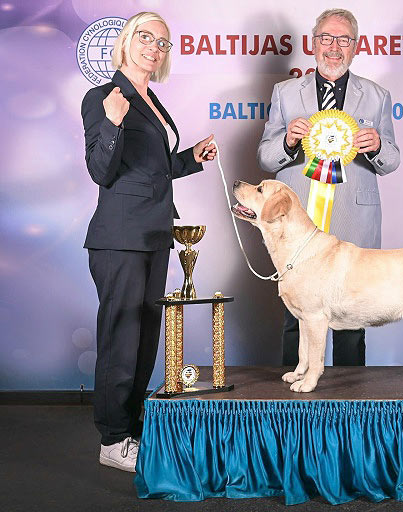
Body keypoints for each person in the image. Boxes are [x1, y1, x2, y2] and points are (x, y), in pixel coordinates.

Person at [81, 11, 216, 472]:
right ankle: (112, 439)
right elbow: (101, 170)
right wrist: (112, 123)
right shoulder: (103, 97)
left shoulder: (151, 100)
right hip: (120, 238)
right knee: (120, 339)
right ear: (126, 41)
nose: (154, 47)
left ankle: (131, 428)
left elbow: (151, 169)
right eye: (146, 37)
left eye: (162, 42)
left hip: (155, 235)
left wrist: (191, 158)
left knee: (144, 341)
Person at [257, 8, 400, 368]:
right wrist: (288, 141)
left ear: (356, 46)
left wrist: (377, 146)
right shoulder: (285, 92)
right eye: (326, 38)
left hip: (354, 219)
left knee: (351, 322)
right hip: (297, 224)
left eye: (343, 39)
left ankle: (350, 396)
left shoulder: (377, 95)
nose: (334, 47)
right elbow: (266, 158)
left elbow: (392, 160)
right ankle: (294, 391)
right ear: (313, 43)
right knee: (296, 316)